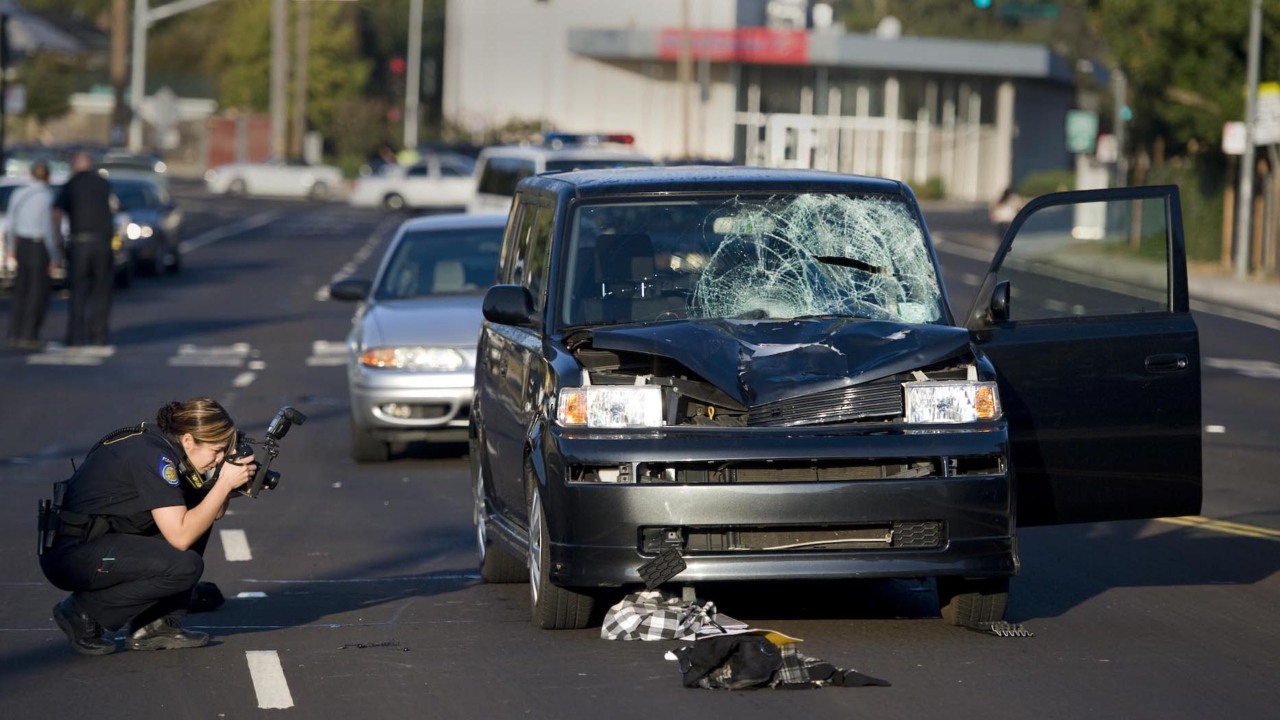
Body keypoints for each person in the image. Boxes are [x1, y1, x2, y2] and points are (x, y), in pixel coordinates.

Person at [39, 398, 256, 656]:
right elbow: (181, 536)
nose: (219, 459)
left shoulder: (164, 444)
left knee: (199, 511)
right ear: (188, 440)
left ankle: (156, 625)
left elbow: (210, 513)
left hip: (103, 542)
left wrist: (229, 485)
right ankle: (82, 611)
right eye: (216, 450)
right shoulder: (155, 458)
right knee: (185, 566)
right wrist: (223, 485)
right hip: (76, 556)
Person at [54, 151, 116, 346]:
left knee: (78, 289)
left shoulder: (72, 184)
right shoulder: (103, 183)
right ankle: (98, 333)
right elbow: (112, 209)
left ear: (75, 164)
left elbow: (56, 211)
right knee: (101, 290)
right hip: (102, 243)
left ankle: (75, 335)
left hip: (80, 243)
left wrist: (57, 239)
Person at [5, 161, 59, 350]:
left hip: (22, 245)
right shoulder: (46, 196)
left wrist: (10, 248)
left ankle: (15, 332)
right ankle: (29, 333)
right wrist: (54, 256)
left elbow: (11, 224)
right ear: (48, 177)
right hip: (38, 246)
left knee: (20, 290)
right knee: (37, 292)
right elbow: (47, 229)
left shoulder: (19, 194)